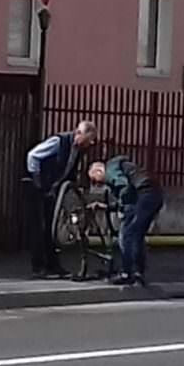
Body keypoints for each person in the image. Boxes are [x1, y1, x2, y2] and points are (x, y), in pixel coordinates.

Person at [25, 121, 98, 278]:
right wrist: (37, 180)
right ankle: (39, 267)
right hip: (38, 186)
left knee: (51, 227)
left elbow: (69, 171)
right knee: (39, 227)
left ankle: (53, 265)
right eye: (87, 140)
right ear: (78, 133)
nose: (88, 144)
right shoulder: (59, 141)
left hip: (53, 190)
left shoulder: (78, 150)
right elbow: (33, 155)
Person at [88, 156, 163, 289]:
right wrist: (108, 207)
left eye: (94, 180)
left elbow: (124, 186)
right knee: (136, 235)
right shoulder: (120, 168)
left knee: (127, 235)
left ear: (99, 171)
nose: (96, 184)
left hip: (144, 193)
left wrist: (124, 210)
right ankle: (138, 273)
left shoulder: (111, 169)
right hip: (153, 194)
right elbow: (127, 195)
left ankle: (127, 273)